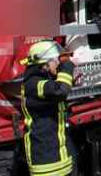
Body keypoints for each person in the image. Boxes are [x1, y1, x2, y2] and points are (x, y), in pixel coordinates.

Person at [20, 41, 76, 176]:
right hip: (46, 163)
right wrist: (67, 66)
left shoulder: (44, 81)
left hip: (59, 159)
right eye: (57, 61)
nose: (59, 64)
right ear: (44, 65)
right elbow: (60, 91)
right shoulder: (34, 84)